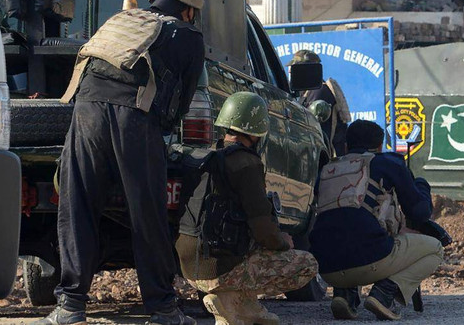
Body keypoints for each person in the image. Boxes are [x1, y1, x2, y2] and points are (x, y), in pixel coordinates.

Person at [33, 0, 206, 325]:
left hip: (86, 110)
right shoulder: (187, 34)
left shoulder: (120, 20)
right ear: (189, 9)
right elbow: (182, 100)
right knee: (147, 213)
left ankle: (70, 306)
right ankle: (162, 308)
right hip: (134, 116)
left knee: (78, 205)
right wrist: (162, 132)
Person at [175, 91, 318, 325]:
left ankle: (246, 306)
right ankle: (232, 298)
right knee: (306, 264)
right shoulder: (246, 163)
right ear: (256, 132)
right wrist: (283, 241)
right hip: (219, 271)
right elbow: (263, 229)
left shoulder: (206, 156)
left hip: (189, 270)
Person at [310, 120, 444, 321]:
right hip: (369, 261)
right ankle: (384, 294)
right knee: (435, 249)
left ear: (346, 147)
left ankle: (345, 295)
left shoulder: (327, 170)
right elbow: (420, 213)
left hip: (327, 269)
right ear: (380, 146)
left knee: (348, 227)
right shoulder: (387, 163)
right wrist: (421, 185)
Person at [289, 49, 351, 156]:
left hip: (325, 156)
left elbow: (310, 128)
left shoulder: (319, 91)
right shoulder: (308, 91)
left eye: (294, 68)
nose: (290, 72)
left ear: (307, 70)